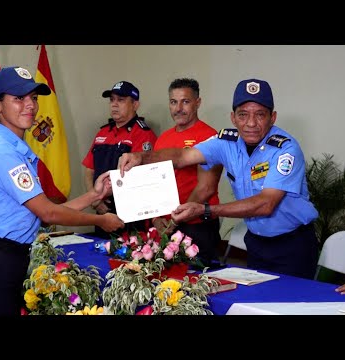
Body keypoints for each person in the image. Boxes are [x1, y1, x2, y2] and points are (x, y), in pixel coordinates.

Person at [0, 66, 124, 315]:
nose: (30, 105)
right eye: (18, 98)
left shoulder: (15, 149)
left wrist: (94, 195)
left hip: (3, 262)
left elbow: (40, 212)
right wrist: (101, 220)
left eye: (33, 98)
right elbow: (49, 214)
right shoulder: (3, 152)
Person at [119, 78, 319, 279]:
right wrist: (140, 157)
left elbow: (265, 204)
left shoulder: (285, 149)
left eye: (260, 115)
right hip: (257, 243)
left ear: (272, 117)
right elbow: (182, 157)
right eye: (243, 115)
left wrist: (206, 210)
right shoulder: (226, 142)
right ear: (232, 118)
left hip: (292, 245)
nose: (251, 123)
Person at [151, 78, 223, 265]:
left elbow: (206, 188)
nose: (178, 108)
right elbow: (154, 181)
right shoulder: (163, 139)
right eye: (174, 102)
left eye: (185, 101)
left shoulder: (210, 137)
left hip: (197, 225)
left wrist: (175, 221)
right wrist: (155, 218)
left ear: (198, 103)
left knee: (199, 284)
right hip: (165, 226)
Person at [82, 80, 158, 239]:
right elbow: (89, 170)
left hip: (129, 216)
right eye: (112, 100)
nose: (114, 105)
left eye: (121, 100)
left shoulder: (143, 134)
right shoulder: (102, 133)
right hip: (101, 211)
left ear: (135, 104)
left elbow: (143, 178)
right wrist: (95, 200)